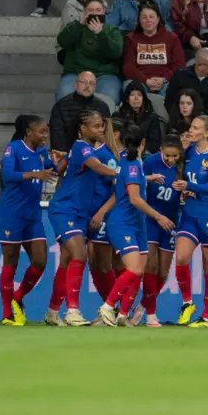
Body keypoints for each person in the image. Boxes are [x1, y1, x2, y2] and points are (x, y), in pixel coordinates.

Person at [96, 126, 175, 327]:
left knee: (139, 271)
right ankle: (108, 307)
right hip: (124, 223)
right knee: (132, 269)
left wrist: (147, 178)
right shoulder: (132, 165)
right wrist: (159, 217)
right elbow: (135, 199)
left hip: (137, 224)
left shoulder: (134, 164)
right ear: (143, 143)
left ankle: (123, 314)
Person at [46, 110, 117, 326]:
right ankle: (73, 311)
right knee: (80, 253)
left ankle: (52, 311)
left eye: (101, 125)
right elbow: (95, 166)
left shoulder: (76, 150)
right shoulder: (81, 146)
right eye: (96, 126)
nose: (100, 129)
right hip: (65, 209)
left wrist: (58, 167)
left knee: (67, 261)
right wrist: (125, 173)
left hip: (79, 213)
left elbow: (60, 168)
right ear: (83, 129)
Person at [0, 116, 59, 326]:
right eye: (41, 132)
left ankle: (18, 296)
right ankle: (7, 314)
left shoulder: (42, 152)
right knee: (10, 261)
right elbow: (7, 175)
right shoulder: (13, 148)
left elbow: (54, 170)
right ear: (29, 132)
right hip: (11, 213)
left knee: (40, 261)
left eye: (46, 132)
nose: (45, 136)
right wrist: (34, 174)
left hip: (32, 215)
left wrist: (61, 161)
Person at [172, 115, 208, 328]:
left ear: (206, 133)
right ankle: (188, 303)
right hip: (190, 214)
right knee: (181, 258)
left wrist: (189, 186)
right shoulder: (188, 153)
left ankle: (206, 317)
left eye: (195, 128)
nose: (190, 130)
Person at [129, 134, 184, 326]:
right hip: (151, 220)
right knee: (150, 267)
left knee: (162, 273)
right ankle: (151, 315)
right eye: (167, 155)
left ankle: (142, 306)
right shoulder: (150, 162)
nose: (171, 159)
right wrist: (148, 179)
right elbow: (135, 185)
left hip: (170, 222)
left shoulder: (183, 166)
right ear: (161, 149)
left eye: (175, 156)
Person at [85, 117, 123, 314]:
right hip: (89, 213)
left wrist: (101, 212)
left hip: (103, 215)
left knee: (104, 263)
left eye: (100, 127)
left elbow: (119, 191)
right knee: (94, 263)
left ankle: (114, 308)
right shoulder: (92, 152)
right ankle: (111, 307)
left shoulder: (105, 155)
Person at [56, 0, 123, 104]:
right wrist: (79, 25)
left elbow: (116, 53)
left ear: (104, 13)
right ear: (84, 12)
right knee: (64, 94)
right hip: (76, 73)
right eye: (90, 10)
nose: (94, 13)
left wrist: (100, 33)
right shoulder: (75, 27)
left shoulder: (112, 30)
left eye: (98, 10)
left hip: (105, 74)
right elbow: (62, 41)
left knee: (110, 96)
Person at [122, 2, 184, 96]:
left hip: (165, 81)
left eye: (151, 17)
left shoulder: (172, 38)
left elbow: (179, 65)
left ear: (158, 19)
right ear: (139, 20)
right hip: (140, 81)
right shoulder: (131, 38)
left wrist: (163, 79)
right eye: (144, 17)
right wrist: (146, 81)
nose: (148, 20)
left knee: (173, 90)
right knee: (133, 90)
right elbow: (129, 67)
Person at [49, 71, 111, 154]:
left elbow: (107, 135)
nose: (87, 86)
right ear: (75, 85)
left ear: (95, 87)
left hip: (96, 155)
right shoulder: (61, 106)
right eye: (84, 82)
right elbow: (57, 138)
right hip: (68, 156)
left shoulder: (102, 107)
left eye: (91, 83)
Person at [165, 48, 208, 124]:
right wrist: (179, 119)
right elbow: (169, 101)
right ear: (199, 65)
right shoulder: (180, 75)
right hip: (182, 122)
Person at [115, 81, 162, 154]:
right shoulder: (117, 116)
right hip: (122, 153)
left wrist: (139, 151)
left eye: (139, 95)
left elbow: (154, 143)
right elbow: (114, 139)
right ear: (127, 99)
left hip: (145, 154)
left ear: (143, 98)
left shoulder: (152, 117)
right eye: (132, 95)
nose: (136, 98)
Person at [107, 0, 172, 34]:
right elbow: (110, 27)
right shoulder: (120, 3)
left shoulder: (162, 3)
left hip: (157, 45)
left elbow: (169, 29)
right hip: (130, 43)